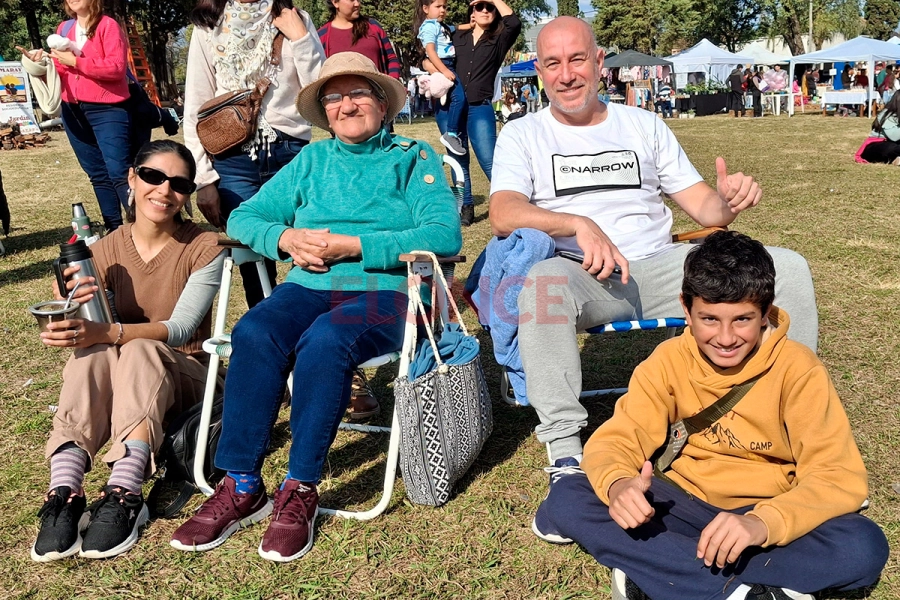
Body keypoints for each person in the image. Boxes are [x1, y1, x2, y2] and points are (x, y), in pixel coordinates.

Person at [488, 16, 818, 494]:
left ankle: (795, 417)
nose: (566, 75)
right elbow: (503, 212)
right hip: (584, 274)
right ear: (539, 70)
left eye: (577, 59)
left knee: (788, 267)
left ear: (599, 62)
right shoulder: (524, 133)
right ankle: (564, 450)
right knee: (542, 285)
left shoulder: (643, 124)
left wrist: (726, 201)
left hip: (666, 269)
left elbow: (703, 206)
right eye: (553, 63)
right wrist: (578, 225)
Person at [169, 52, 462, 562]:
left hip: (387, 291)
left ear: (382, 103)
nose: (347, 106)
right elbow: (245, 217)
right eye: (334, 98)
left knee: (327, 340)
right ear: (324, 113)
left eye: (358, 94)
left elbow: (444, 233)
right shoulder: (310, 161)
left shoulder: (415, 157)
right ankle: (241, 483)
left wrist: (355, 247)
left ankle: (300, 486)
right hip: (307, 286)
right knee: (255, 330)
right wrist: (283, 236)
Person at [532, 231, 889, 600]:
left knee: (863, 545)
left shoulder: (798, 368)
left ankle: (657, 568)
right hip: (679, 501)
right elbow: (619, 438)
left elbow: (837, 475)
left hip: (762, 510)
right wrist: (619, 484)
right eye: (709, 319)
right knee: (570, 494)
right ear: (686, 309)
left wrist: (760, 524)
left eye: (742, 320)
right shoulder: (668, 360)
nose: (726, 337)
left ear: (766, 312)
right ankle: (739, 590)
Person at [30, 140, 225, 562]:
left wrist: (107, 330)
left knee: (136, 348)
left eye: (179, 184)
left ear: (188, 193)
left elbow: (180, 329)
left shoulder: (204, 247)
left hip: (187, 376)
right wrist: (68, 316)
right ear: (132, 179)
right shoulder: (101, 251)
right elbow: (79, 315)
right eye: (154, 177)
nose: (164, 191)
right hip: (127, 387)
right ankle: (64, 491)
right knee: (92, 354)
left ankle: (125, 492)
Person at [184, 0, 323, 311]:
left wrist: (300, 38)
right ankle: (269, 340)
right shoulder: (209, 24)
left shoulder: (294, 18)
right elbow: (195, 103)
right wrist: (203, 180)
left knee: (309, 248)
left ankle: (307, 330)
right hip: (232, 158)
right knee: (252, 257)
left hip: (292, 152)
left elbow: (319, 92)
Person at [19, 0, 132, 231]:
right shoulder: (64, 29)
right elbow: (61, 70)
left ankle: (142, 229)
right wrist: (41, 65)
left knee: (119, 172)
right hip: (72, 109)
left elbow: (116, 68)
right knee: (97, 174)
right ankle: (115, 230)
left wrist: (76, 61)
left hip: (107, 108)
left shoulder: (107, 25)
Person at [435, 0, 521, 227]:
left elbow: (513, 22)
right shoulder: (456, 37)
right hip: (450, 107)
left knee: (490, 159)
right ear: (471, 11)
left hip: (479, 107)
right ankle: (466, 206)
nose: (484, 10)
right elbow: (429, 48)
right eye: (479, 7)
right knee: (457, 159)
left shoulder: (499, 39)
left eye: (489, 7)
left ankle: (511, 204)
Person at [414, 0, 468, 155]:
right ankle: (450, 133)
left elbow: (456, 28)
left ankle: (451, 133)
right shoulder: (429, 27)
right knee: (459, 98)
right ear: (425, 8)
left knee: (453, 97)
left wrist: (472, 25)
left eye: (444, 7)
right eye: (438, 7)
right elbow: (430, 51)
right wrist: (443, 70)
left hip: (448, 64)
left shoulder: (441, 26)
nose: (442, 10)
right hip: (443, 64)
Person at [317, 0, 400, 80]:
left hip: (377, 93)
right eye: (352, 0)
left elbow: (391, 59)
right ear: (335, 2)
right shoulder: (322, 37)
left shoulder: (373, 27)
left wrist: (391, 83)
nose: (357, 4)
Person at [860, 92, 900, 165]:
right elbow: (894, 136)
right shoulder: (886, 114)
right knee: (892, 149)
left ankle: (895, 159)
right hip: (876, 146)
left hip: (892, 144)